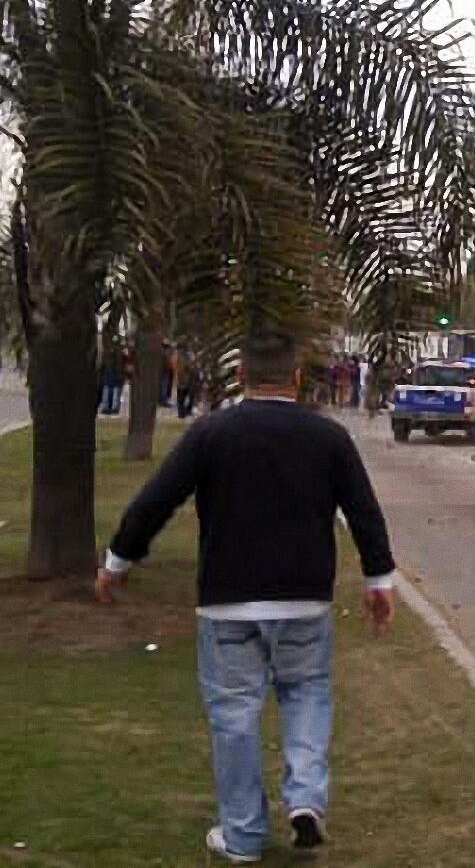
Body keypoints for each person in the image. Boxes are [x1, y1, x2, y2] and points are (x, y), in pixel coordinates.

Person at [96, 330, 397, 864]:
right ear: (296, 378)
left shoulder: (213, 433)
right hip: (305, 598)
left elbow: (157, 498)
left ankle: (243, 835)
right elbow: (363, 511)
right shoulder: (326, 437)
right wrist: (379, 580)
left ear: (243, 378)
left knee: (234, 716)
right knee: (307, 696)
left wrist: (119, 560)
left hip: (227, 600)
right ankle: (305, 798)